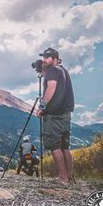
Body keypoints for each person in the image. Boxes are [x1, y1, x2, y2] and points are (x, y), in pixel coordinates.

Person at [36, 47, 75, 184]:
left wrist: (42, 107)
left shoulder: (53, 70)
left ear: (55, 59)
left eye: (47, 57)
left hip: (54, 115)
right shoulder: (63, 71)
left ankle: (62, 178)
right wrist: (44, 72)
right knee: (65, 147)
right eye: (43, 57)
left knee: (55, 146)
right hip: (66, 114)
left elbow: (51, 88)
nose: (44, 60)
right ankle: (69, 177)